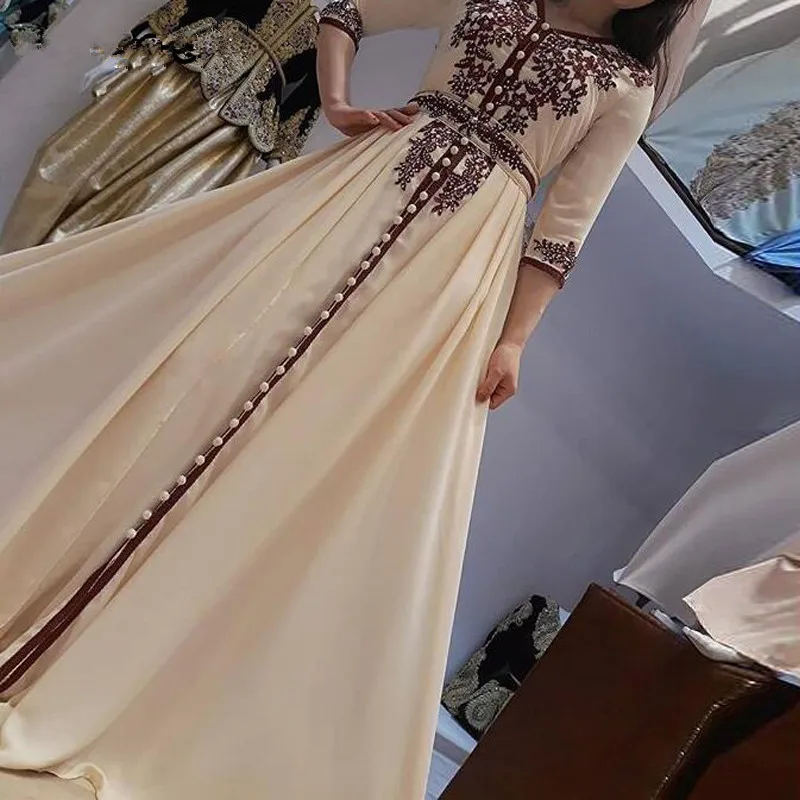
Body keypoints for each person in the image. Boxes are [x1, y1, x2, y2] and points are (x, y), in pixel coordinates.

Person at [0, 1, 696, 798]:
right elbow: (348, 10)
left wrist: (514, 340)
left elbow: (565, 227)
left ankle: (120, 671)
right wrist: (336, 101)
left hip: (459, 262)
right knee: (202, 371)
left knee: (311, 450)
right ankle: (42, 594)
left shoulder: (626, 86)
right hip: (350, 195)